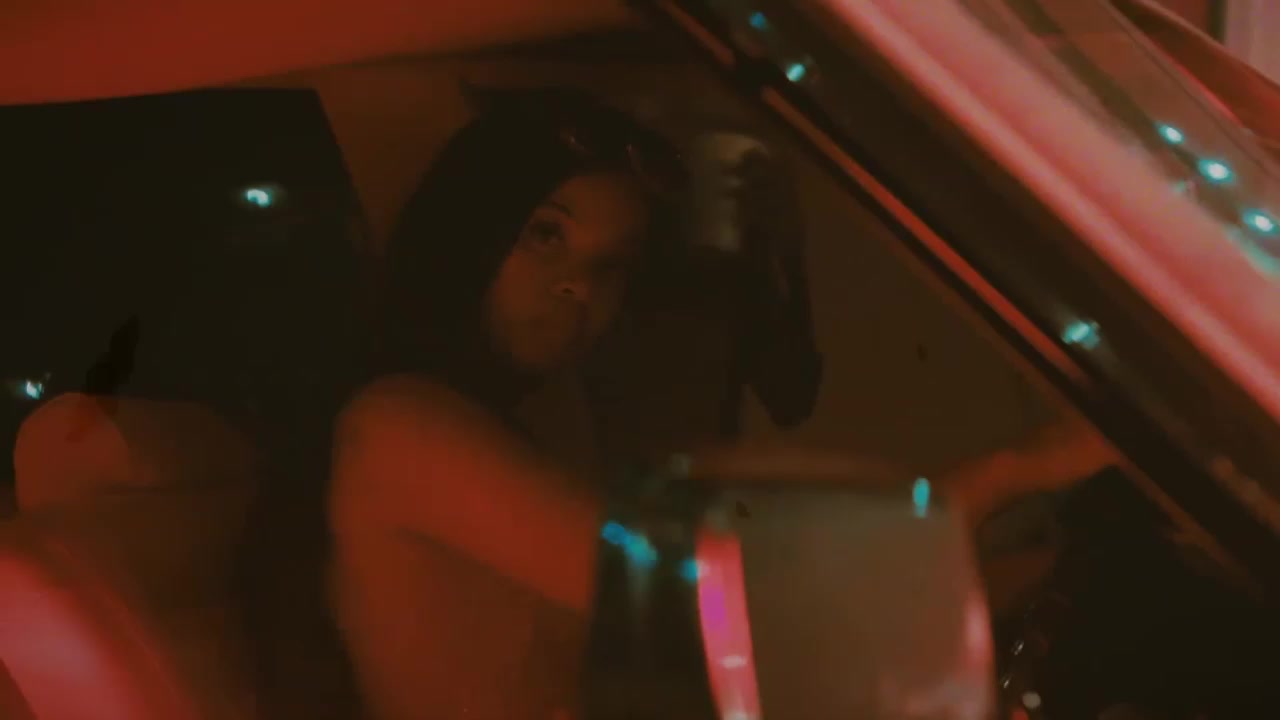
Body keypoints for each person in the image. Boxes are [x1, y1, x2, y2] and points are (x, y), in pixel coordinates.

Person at [328, 86, 1118, 720]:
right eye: (546, 235)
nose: (579, 286)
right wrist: (1019, 470)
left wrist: (1023, 567)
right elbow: (722, 609)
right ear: (469, 228)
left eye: (613, 265)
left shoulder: (524, 430)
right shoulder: (398, 428)